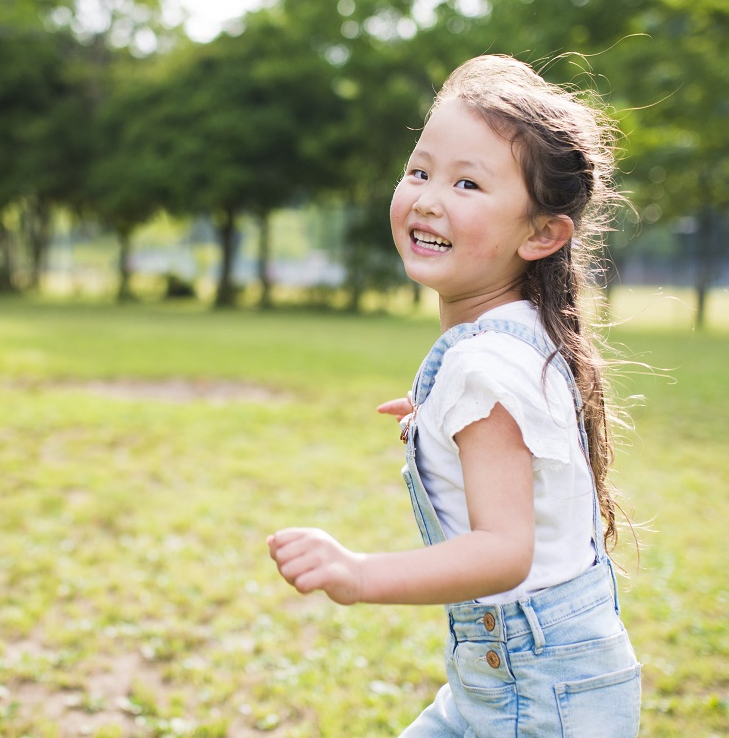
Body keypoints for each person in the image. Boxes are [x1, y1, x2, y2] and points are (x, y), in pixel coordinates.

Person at [267, 54, 640, 736]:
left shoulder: (486, 366)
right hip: (529, 681)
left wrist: (359, 575)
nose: (429, 196)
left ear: (542, 233)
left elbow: (504, 551)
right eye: (420, 170)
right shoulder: (518, 338)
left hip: (533, 695)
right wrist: (435, 415)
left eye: (468, 182)